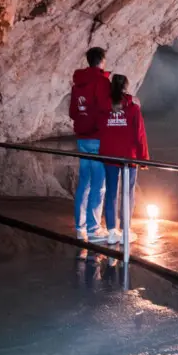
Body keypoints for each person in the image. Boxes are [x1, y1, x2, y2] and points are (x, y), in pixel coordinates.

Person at [95, 73, 149, 245]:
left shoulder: (104, 108)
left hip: (109, 154)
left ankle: (112, 232)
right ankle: (126, 231)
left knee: (111, 192)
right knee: (127, 193)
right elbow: (140, 135)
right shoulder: (133, 108)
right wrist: (143, 158)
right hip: (128, 156)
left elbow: (99, 130)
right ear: (126, 87)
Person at [69, 46, 111, 239]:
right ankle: (94, 230)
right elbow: (106, 108)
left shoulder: (77, 84)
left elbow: (72, 112)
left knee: (84, 183)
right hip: (98, 138)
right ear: (102, 61)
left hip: (82, 139)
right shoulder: (101, 82)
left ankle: (80, 228)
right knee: (99, 185)